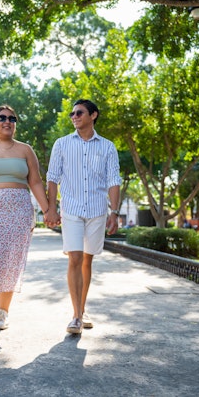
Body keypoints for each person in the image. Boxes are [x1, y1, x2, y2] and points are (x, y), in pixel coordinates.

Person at [0, 104, 50, 337]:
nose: (7, 121)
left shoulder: (26, 150)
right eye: (2, 118)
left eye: (12, 118)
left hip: (19, 211)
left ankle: (2, 313)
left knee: (10, 262)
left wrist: (48, 211)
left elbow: (35, 182)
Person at [45, 99, 122, 335]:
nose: (74, 116)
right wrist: (51, 208)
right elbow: (52, 178)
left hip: (98, 211)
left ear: (93, 115)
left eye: (79, 113)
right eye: (72, 114)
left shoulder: (107, 147)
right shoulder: (62, 144)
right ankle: (76, 316)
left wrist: (115, 212)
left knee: (88, 261)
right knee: (74, 259)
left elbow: (113, 181)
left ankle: (82, 308)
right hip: (72, 210)